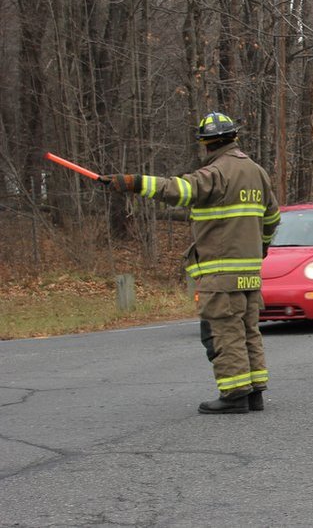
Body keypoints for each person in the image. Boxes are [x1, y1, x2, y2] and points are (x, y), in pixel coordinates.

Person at [101, 112, 280, 414]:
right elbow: (272, 217)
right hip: (249, 273)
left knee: (223, 331)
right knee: (248, 330)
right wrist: (260, 247)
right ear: (234, 137)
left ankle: (235, 393)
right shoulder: (257, 172)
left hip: (220, 271)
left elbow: (179, 190)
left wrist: (133, 183)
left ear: (206, 144)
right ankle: (255, 393)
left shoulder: (216, 173)